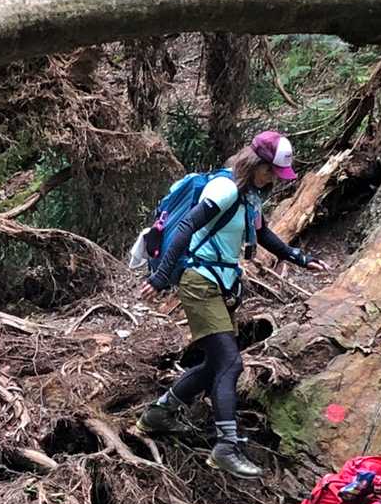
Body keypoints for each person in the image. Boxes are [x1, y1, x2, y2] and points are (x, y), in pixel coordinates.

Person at [135, 130, 326, 478]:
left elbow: (262, 233)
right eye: (270, 171)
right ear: (255, 164)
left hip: (219, 283)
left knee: (215, 364)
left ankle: (159, 414)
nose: (273, 179)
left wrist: (298, 257)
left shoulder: (249, 196)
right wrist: (160, 277)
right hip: (199, 280)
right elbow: (186, 227)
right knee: (230, 363)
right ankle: (226, 446)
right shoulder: (224, 189)